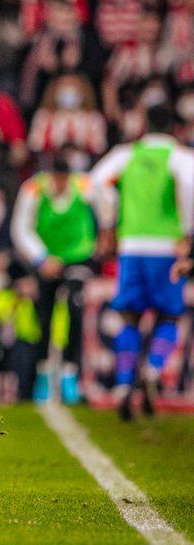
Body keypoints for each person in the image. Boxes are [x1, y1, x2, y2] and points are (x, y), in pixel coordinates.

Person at [89, 105, 194, 421]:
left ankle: (123, 386)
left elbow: (94, 182)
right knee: (170, 316)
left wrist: (109, 222)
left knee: (129, 317)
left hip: (131, 246)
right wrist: (188, 231)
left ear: (144, 125)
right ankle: (152, 370)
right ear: (175, 129)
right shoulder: (180, 157)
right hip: (168, 248)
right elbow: (190, 187)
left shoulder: (126, 154)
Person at [9, 148, 97, 404]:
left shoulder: (84, 186)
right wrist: (41, 258)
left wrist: (104, 235)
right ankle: (44, 373)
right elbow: (21, 229)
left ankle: (70, 373)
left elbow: (107, 206)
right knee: (44, 316)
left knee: (75, 307)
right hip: (46, 259)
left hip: (77, 256)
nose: (60, 184)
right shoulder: (33, 190)